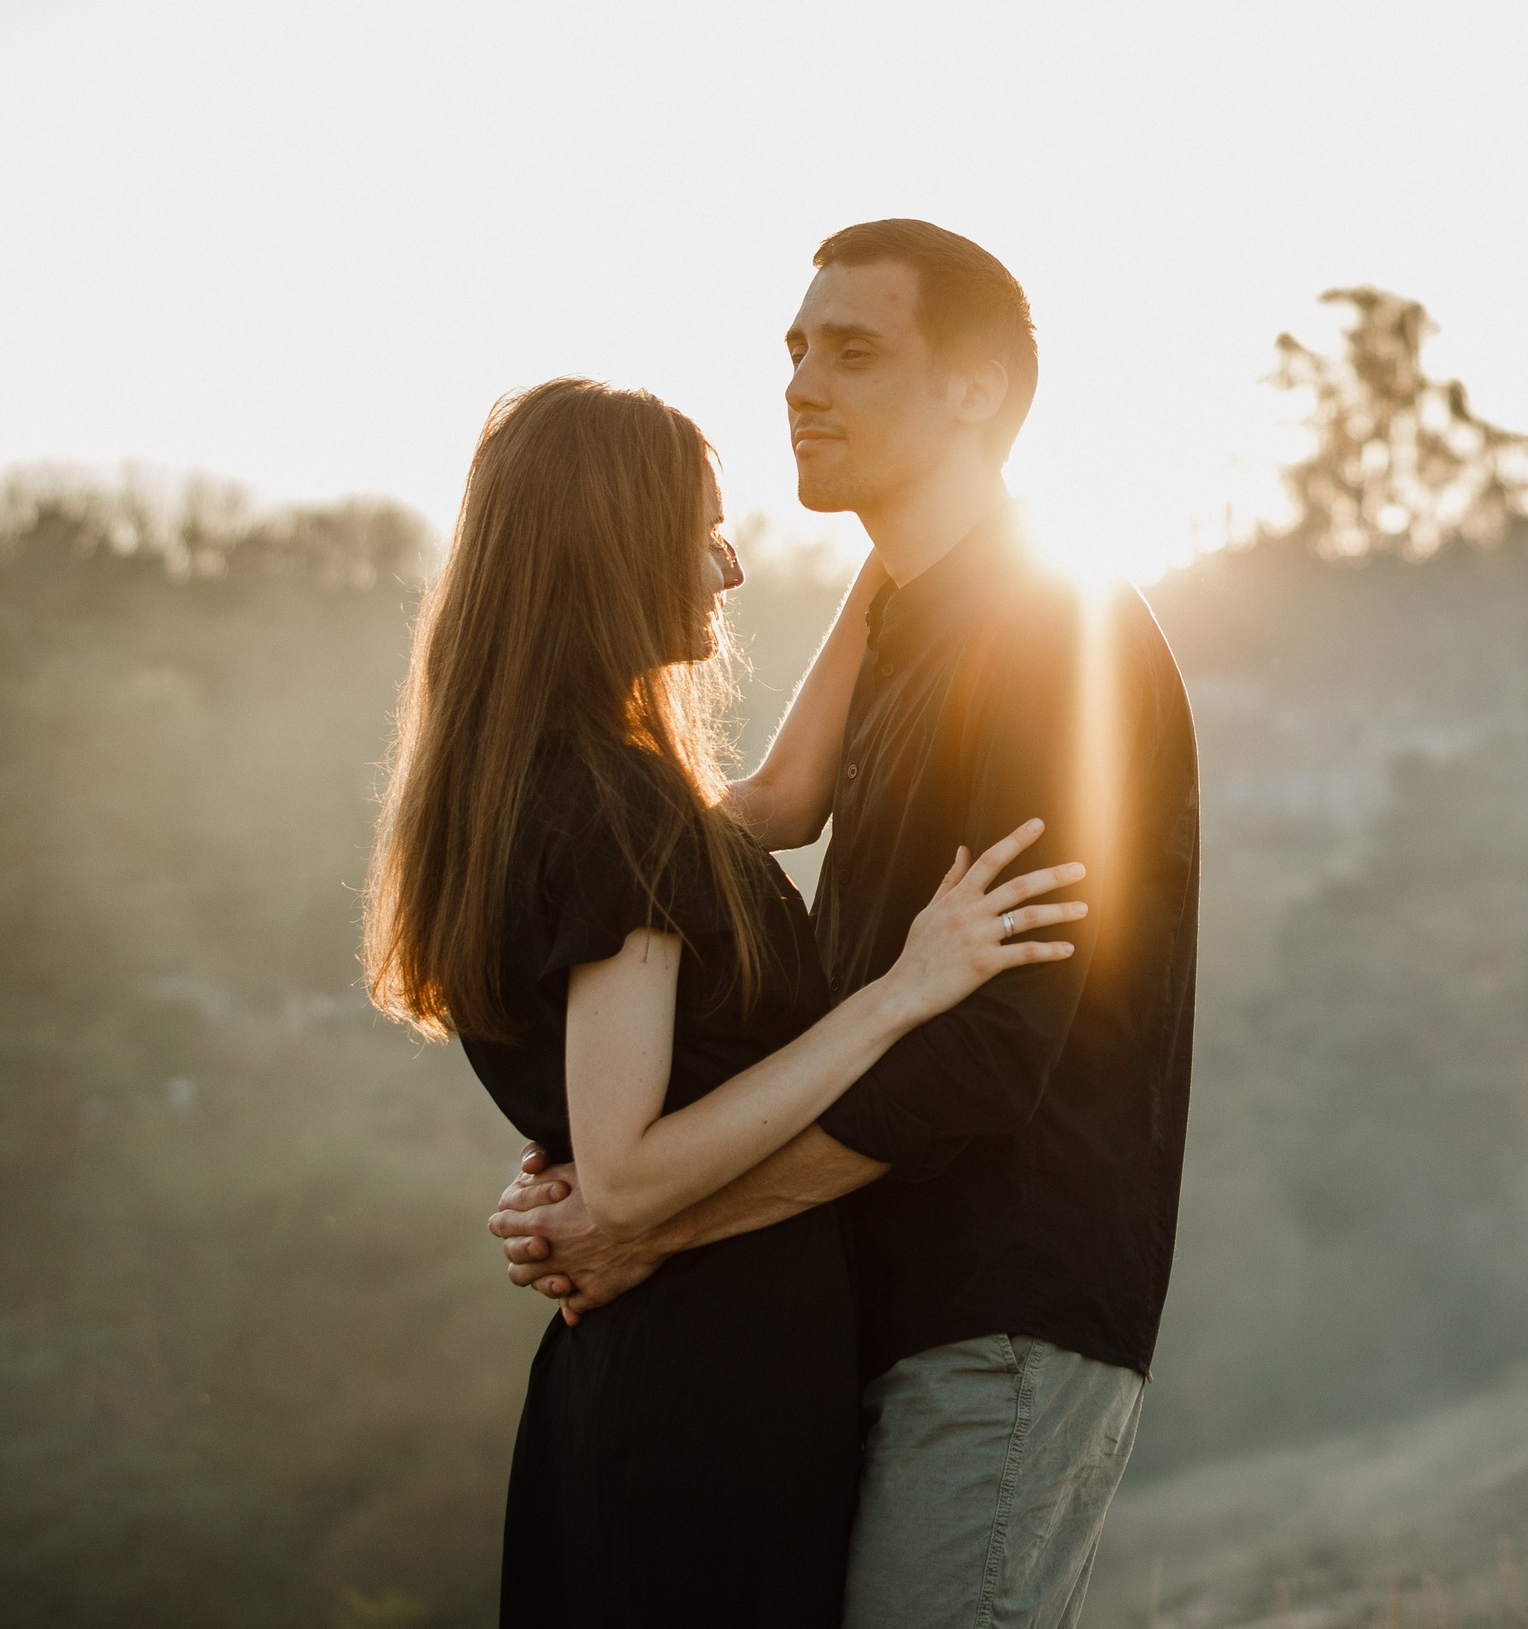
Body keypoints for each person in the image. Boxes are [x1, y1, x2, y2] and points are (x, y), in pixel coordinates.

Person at [490, 220, 1203, 1628]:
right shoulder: (911, 622)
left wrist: (651, 1224)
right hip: (868, 1303)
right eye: (796, 349)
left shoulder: (1053, 633)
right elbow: (752, 822)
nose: (802, 384)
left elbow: (989, 1053)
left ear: (976, 392)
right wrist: (599, 1144)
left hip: (996, 1316)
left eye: (854, 351)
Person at [363, 376, 1087, 1626]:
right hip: (707, 1387)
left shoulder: (537, 795)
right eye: (702, 531)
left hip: (660, 1373)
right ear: (615, 549)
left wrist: (908, 528)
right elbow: (632, 1177)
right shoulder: (617, 813)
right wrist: (902, 993)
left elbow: (786, 801)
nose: (732, 567)